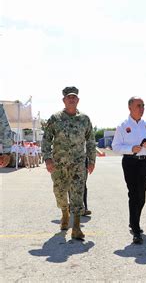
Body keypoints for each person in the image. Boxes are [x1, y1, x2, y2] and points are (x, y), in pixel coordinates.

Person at [42, 86, 96, 240]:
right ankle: (65, 212)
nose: (71, 99)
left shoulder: (84, 119)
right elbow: (46, 139)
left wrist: (91, 160)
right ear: (64, 100)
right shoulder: (55, 118)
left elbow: (91, 141)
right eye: (68, 97)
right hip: (58, 164)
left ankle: (77, 227)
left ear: (78, 100)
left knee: (78, 193)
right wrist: (47, 158)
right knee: (59, 193)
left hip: (78, 163)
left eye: (74, 97)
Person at [112, 97, 146, 244]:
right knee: (133, 195)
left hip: (145, 163)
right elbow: (115, 146)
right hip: (130, 162)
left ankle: (133, 220)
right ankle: (136, 228)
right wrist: (130, 149)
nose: (142, 108)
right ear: (130, 108)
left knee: (142, 196)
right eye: (138, 105)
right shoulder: (123, 126)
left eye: (143, 106)